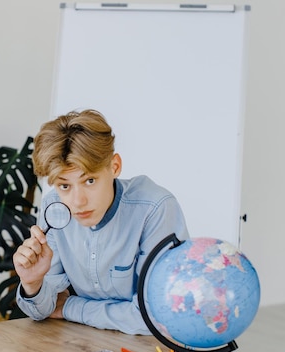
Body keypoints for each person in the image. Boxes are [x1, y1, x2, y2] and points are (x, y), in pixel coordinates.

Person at [13, 109, 189, 335]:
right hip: (78, 344)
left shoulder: (156, 208)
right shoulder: (54, 208)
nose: (78, 201)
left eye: (90, 180)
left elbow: (157, 316)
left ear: (114, 167)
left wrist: (70, 306)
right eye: (64, 186)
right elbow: (43, 311)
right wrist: (32, 283)